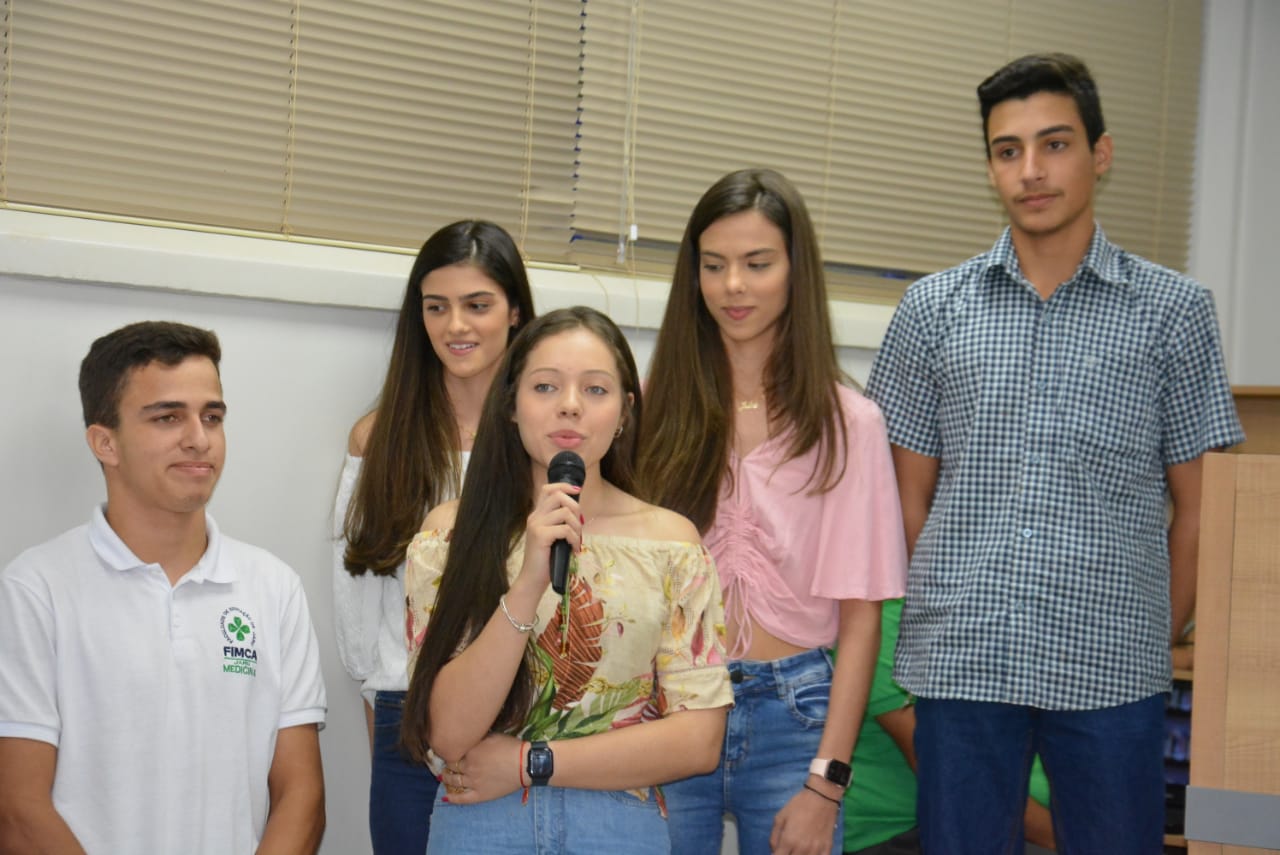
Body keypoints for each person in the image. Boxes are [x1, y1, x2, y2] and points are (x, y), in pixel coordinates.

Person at [865, 53, 1245, 852]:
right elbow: (902, 500)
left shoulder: (1174, 313)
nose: (1031, 170)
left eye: (1055, 144)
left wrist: (1151, 635)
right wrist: (947, 605)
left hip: (1113, 672)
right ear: (990, 167)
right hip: (963, 663)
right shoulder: (931, 310)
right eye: (1008, 150)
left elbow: (1203, 509)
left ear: (1100, 154)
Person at [639, 167, 908, 855]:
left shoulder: (850, 424)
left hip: (798, 715)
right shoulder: (650, 406)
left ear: (795, 271)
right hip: (673, 703)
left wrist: (826, 784)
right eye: (714, 265)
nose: (733, 285)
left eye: (757, 264)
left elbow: (861, 618)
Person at [399, 306, 733, 854]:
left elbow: (698, 741)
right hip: (482, 825)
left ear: (625, 412)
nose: (570, 405)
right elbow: (448, 733)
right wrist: (529, 579)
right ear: (511, 405)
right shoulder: (449, 536)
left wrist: (532, 762)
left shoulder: (671, 544)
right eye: (546, 386)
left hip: (618, 827)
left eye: (596, 389)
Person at [0, 321, 327, 854]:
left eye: (212, 416)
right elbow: (17, 809)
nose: (199, 438)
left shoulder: (273, 588)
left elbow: (301, 796)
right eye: (168, 417)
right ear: (105, 442)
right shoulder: (35, 590)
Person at [334, 219, 536, 853]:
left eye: (477, 305)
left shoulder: (550, 440)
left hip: (530, 719)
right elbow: (360, 616)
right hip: (408, 721)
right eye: (436, 307)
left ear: (515, 312)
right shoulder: (379, 440)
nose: (455, 326)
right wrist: (391, 739)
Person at [838, 598, 1055, 854]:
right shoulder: (880, 619)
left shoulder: (989, 608)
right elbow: (955, 773)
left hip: (1021, 814)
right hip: (914, 832)